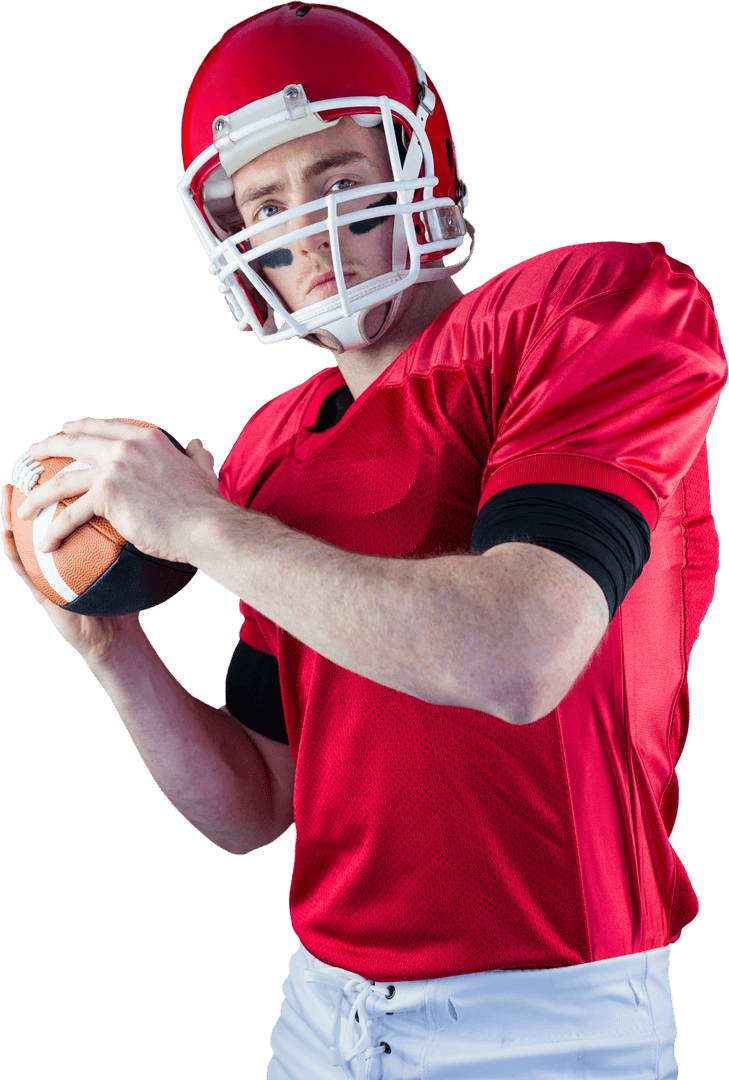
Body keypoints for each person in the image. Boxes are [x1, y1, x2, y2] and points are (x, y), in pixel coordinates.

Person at [2, 4, 726, 1078]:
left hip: (548, 1020)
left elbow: (518, 657)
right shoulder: (269, 448)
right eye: (269, 204)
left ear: (421, 167)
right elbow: (258, 804)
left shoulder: (592, 307)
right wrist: (116, 655)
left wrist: (200, 525)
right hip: (320, 1012)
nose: (315, 232)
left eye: (342, 179)